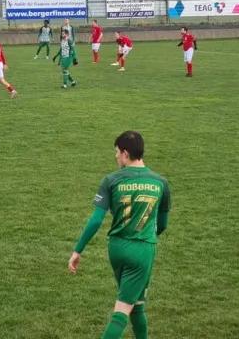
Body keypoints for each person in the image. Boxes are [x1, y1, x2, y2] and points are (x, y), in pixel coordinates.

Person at [69, 130, 171, 339]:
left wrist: (78, 250)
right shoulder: (161, 182)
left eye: (116, 152)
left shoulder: (111, 180)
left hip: (116, 247)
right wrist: (148, 238)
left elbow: (96, 220)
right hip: (142, 249)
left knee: (137, 303)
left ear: (125, 153)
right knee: (122, 310)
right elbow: (162, 224)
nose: (115, 157)